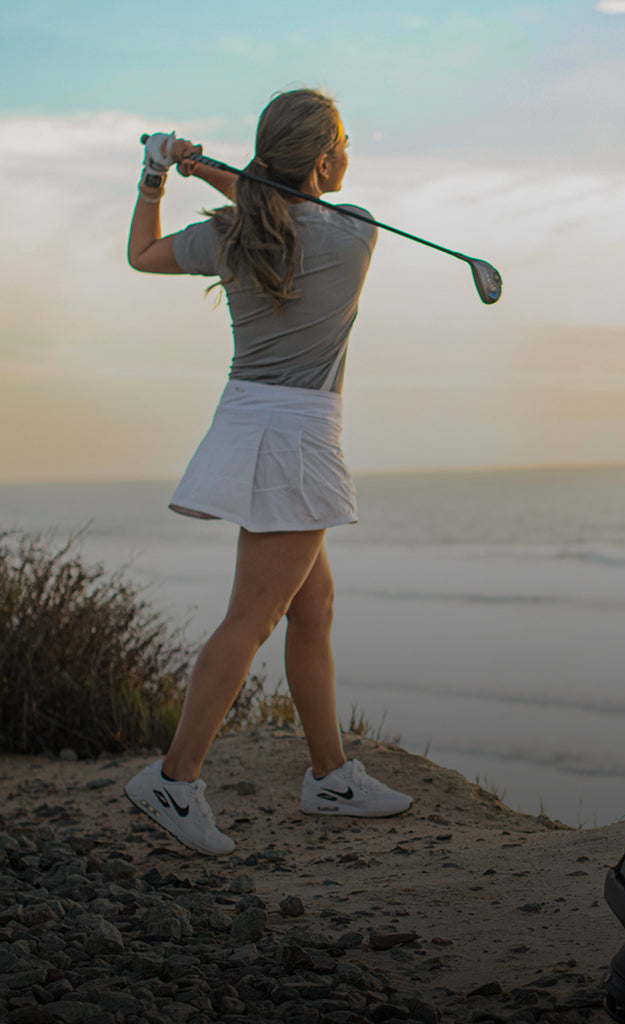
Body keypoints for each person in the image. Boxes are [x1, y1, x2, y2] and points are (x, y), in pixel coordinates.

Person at [123, 89, 411, 856]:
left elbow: (143, 255)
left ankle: (331, 776)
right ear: (322, 162)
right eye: (343, 143)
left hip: (249, 421)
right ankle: (174, 781)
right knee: (251, 618)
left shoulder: (231, 233)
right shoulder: (355, 234)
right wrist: (208, 170)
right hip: (296, 438)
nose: (350, 154)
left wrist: (161, 173)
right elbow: (278, 204)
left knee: (311, 605)